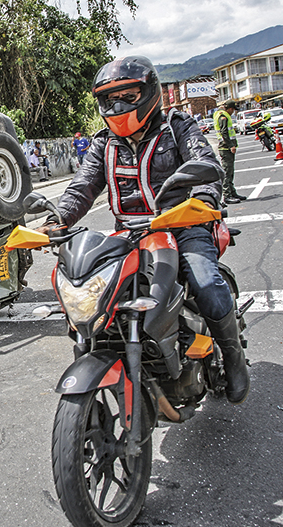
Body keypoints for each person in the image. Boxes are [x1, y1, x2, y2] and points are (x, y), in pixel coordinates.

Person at [36, 55, 249, 404]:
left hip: (182, 225)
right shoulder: (104, 143)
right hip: (131, 234)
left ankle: (234, 358)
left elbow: (206, 165)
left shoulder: (178, 128)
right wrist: (56, 219)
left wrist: (204, 201)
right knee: (92, 291)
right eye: (109, 99)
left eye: (128, 96)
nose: (117, 105)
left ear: (150, 93)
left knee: (204, 280)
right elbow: (82, 187)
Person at [213, 99, 244, 204]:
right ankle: (227, 196)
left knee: (230, 172)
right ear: (230, 109)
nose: (233, 112)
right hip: (225, 147)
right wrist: (231, 145)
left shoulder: (219, 113)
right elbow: (224, 132)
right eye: (233, 110)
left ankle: (232, 192)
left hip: (226, 147)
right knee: (227, 172)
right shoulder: (223, 116)